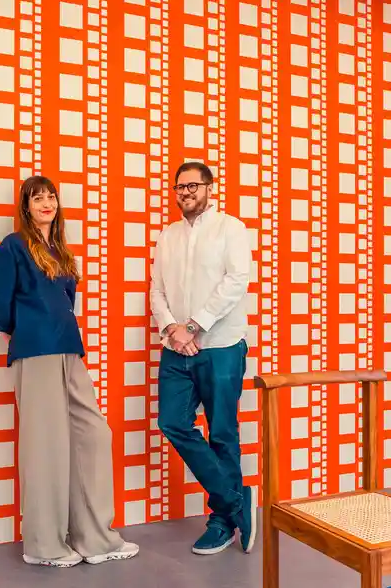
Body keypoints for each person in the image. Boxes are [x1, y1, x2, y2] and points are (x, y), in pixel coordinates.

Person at [0, 175, 139, 568]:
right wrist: (15, 329)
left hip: (69, 348)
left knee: (93, 434)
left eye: (51, 196)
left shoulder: (62, 252)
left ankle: (94, 538)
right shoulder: (13, 246)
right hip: (36, 351)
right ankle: (43, 545)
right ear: (26, 206)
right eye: (37, 198)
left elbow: (67, 299)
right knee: (46, 446)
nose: (46, 203)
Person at [150, 161, 257, 556]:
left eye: (192, 185)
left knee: (222, 432)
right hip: (176, 348)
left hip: (222, 346)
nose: (185, 193)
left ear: (210, 187)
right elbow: (157, 290)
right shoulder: (168, 236)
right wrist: (172, 329)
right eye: (179, 187)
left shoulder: (231, 228)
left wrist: (194, 326)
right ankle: (236, 501)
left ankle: (221, 521)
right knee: (172, 422)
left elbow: (236, 281)